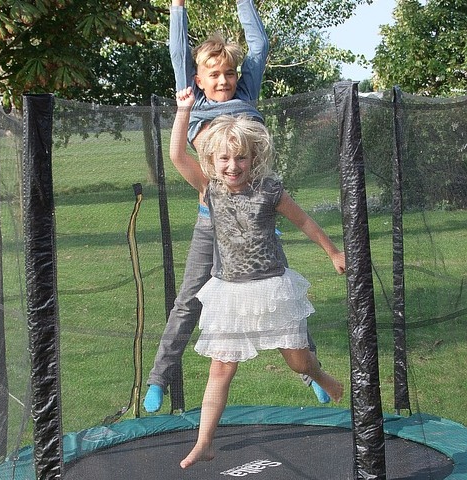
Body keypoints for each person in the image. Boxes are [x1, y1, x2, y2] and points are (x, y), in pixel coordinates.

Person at [144, 0, 329, 413]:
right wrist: (177, 8)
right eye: (215, 74)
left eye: (230, 72)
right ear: (199, 79)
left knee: (279, 298)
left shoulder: (246, 92)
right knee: (189, 299)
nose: (224, 80)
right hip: (213, 221)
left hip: (258, 217)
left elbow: (259, 45)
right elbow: (178, 52)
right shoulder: (192, 102)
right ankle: (159, 378)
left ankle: (309, 371)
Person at [170, 88, 345, 469]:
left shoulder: (269, 190)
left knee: (297, 362)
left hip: (270, 288)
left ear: (253, 158)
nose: (232, 166)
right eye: (224, 159)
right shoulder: (210, 189)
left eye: (240, 158)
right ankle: (204, 442)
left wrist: (333, 252)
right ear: (213, 162)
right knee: (221, 366)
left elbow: (305, 222)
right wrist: (184, 111)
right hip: (230, 292)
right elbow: (177, 156)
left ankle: (319, 375)